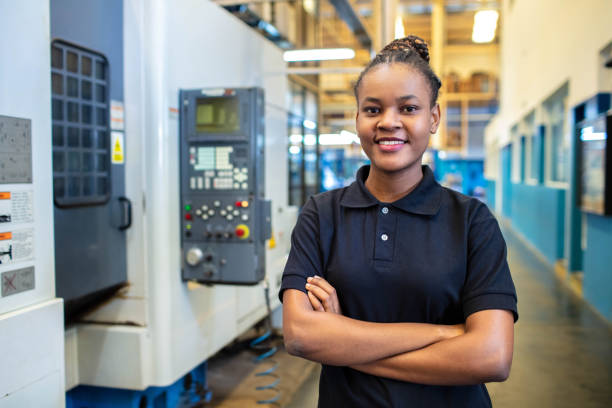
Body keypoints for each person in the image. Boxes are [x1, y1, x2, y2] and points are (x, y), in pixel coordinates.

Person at [279, 35, 518, 408]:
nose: (389, 122)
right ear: (357, 118)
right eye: (373, 110)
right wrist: (444, 334)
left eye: (408, 109)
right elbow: (300, 335)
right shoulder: (321, 215)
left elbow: (491, 356)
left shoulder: (472, 221)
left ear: (433, 117)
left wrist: (344, 341)